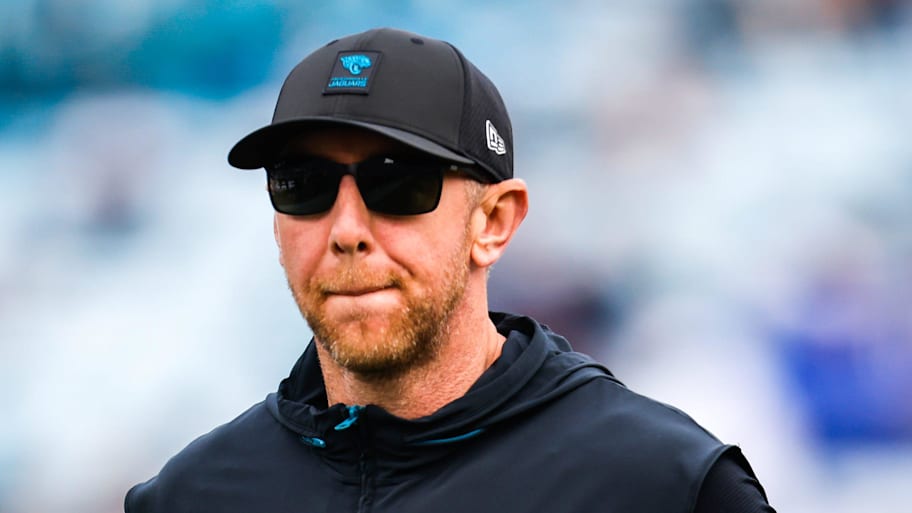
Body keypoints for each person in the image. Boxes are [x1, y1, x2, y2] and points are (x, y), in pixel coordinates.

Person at [125, 27, 775, 513]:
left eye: (396, 183)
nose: (346, 230)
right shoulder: (194, 495)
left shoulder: (662, 484)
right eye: (304, 184)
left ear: (493, 222)